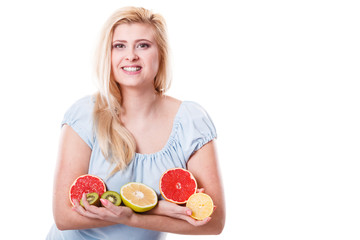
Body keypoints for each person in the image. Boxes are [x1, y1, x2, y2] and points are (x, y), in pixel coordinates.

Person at [47, 6, 225, 240]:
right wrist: (155, 207)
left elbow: (214, 222)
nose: (130, 55)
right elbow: (64, 216)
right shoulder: (85, 114)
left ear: (160, 53)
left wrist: (131, 216)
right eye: (119, 45)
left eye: (143, 45)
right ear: (108, 55)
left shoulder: (191, 122)